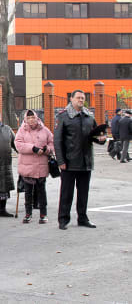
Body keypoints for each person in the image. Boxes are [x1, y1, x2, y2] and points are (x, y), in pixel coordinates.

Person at [54, 90, 106, 230]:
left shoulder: (89, 116)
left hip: (86, 161)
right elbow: (57, 141)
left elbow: (95, 135)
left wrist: (102, 139)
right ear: (71, 99)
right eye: (78, 97)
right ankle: (63, 219)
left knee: (83, 192)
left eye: (83, 98)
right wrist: (60, 161)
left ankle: (82, 218)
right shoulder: (63, 116)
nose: (81, 100)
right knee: (66, 193)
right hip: (69, 162)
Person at [15, 110, 54, 224]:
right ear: (26, 119)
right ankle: (28, 213)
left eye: (33, 117)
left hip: (41, 166)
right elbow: (18, 145)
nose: (31, 120)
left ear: (37, 118)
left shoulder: (45, 130)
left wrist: (47, 149)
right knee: (28, 191)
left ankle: (43, 214)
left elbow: (52, 143)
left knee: (42, 191)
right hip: (27, 166)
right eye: (29, 118)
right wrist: (33, 148)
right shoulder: (22, 131)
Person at [0, 110, 17, 217]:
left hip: (6, 163)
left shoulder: (7, 129)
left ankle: (3, 210)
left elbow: (15, 143)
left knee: (5, 187)